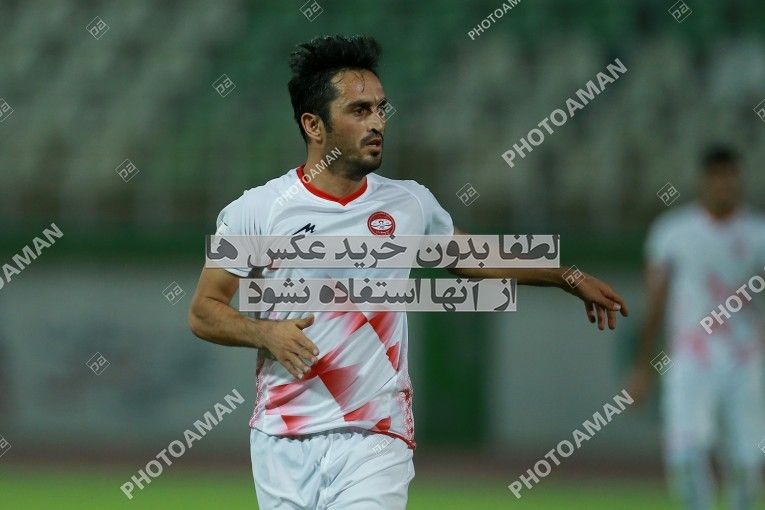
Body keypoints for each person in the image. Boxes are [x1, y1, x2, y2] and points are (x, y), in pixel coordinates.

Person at [189, 34, 628, 510]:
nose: (377, 122)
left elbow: (475, 257)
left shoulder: (409, 202)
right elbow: (204, 311)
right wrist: (265, 333)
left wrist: (565, 276)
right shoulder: (256, 210)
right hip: (282, 435)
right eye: (359, 110)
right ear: (314, 125)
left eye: (381, 109)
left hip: (377, 435)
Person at [628, 146, 765, 510]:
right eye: (716, 176)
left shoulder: (758, 234)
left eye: (730, 176)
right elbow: (655, 304)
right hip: (690, 360)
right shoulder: (672, 233)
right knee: (686, 457)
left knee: (747, 461)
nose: (724, 185)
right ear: (704, 181)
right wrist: (642, 367)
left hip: (745, 361)